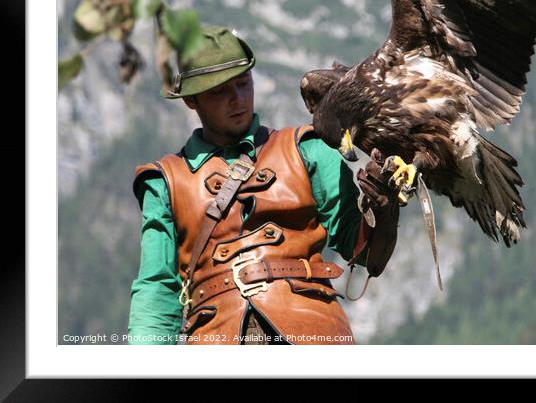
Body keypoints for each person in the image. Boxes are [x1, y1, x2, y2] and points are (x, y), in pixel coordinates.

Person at [128, 25, 400, 345]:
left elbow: (366, 253)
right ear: (191, 100)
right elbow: (157, 288)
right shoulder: (164, 182)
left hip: (312, 334)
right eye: (219, 91)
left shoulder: (308, 149)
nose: (237, 99)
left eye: (244, 84)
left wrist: (382, 210)